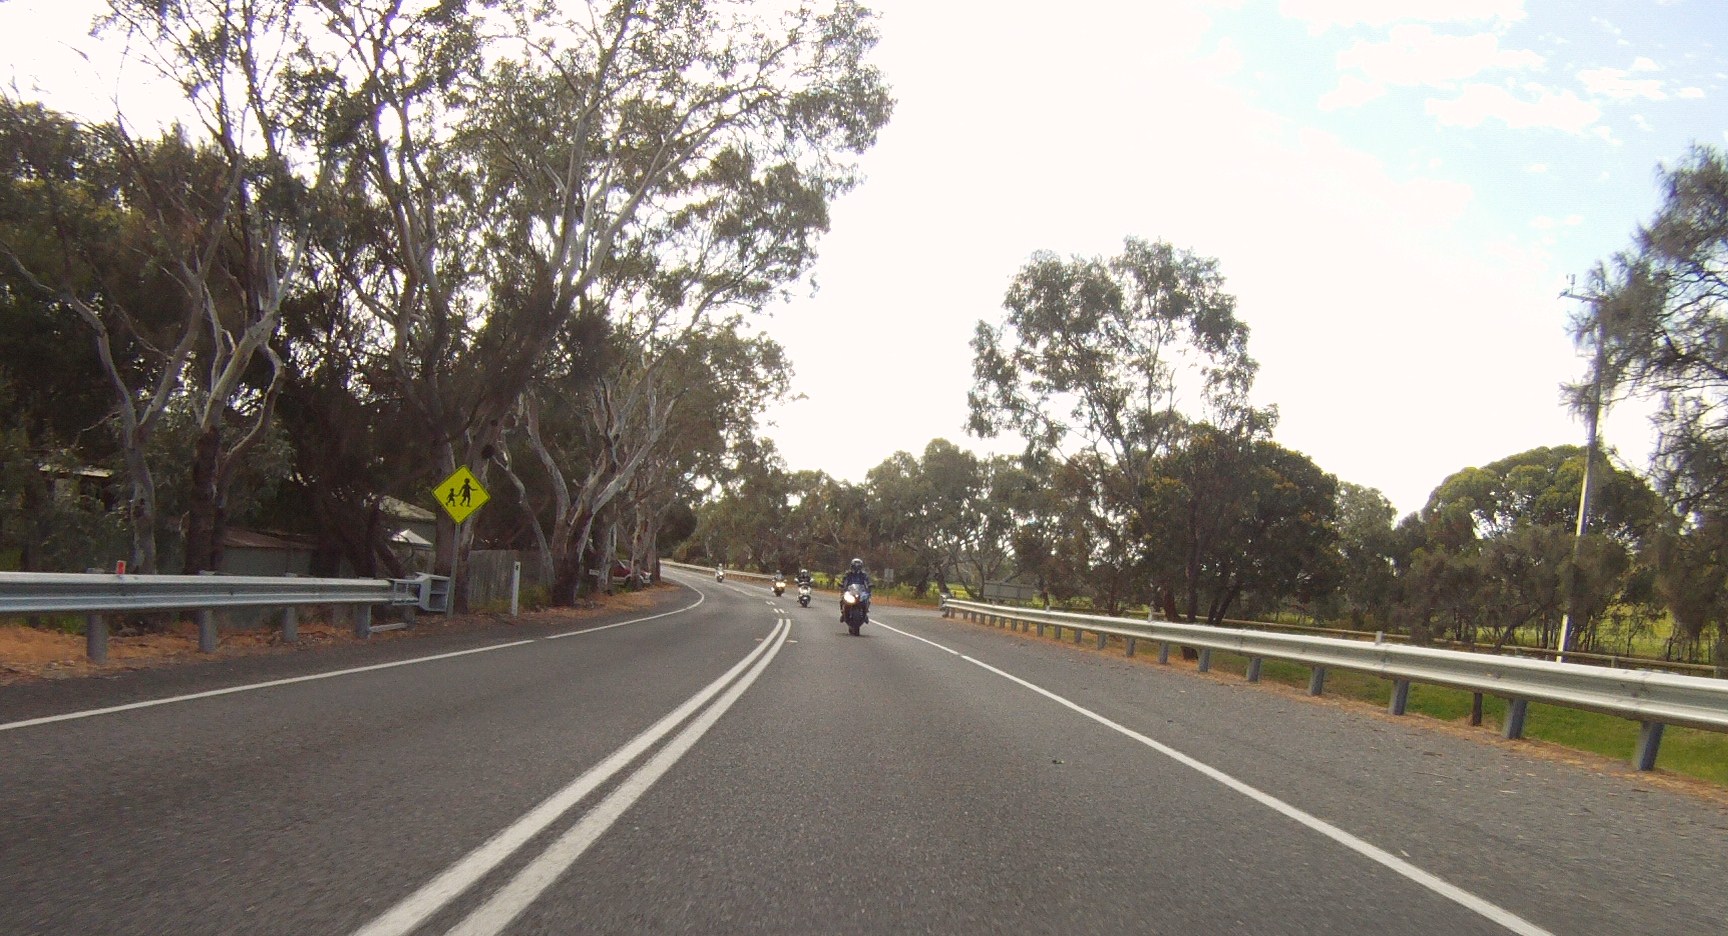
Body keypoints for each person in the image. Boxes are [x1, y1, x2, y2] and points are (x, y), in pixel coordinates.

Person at [839, 557, 871, 623]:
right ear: (852, 566)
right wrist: (842, 585)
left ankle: (865, 613)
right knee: (842, 599)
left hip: (860, 591)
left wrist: (869, 585)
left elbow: (867, 582)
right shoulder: (848, 574)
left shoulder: (863, 575)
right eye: (855, 566)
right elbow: (844, 581)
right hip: (850, 591)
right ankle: (843, 613)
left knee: (867, 599)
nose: (856, 568)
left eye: (858, 567)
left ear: (861, 567)